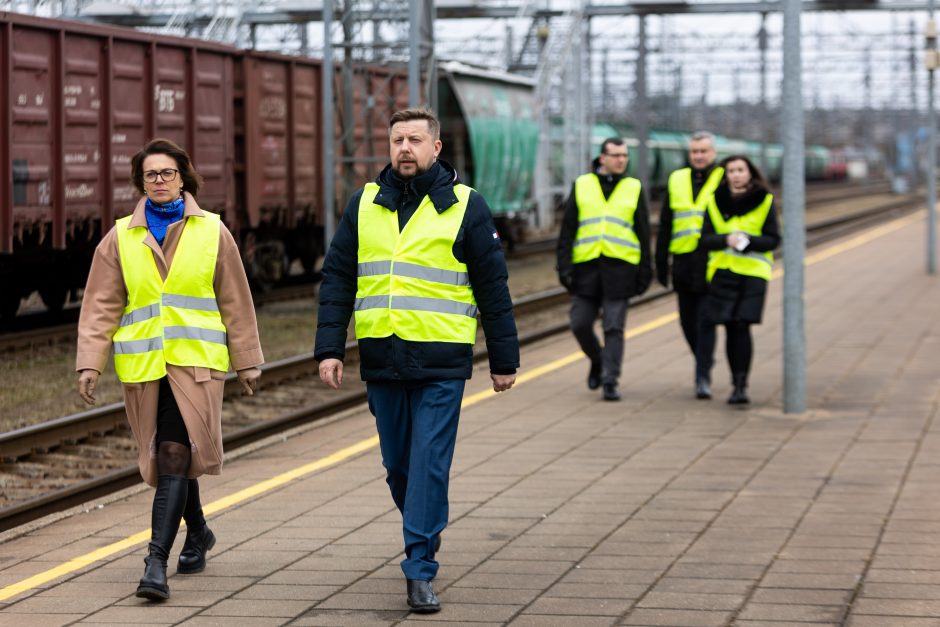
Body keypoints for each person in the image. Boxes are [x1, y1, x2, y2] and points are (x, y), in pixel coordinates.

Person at [314, 107, 519, 613]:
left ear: (436, 148)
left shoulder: (467, 207)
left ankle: (419, 566)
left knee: (428, 463)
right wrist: (328, 348)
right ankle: (423, 530)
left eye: (414, 140)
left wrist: (503, 358)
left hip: (442, 362)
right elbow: (338, 278)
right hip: (382, 358)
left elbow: (493, 289)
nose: (405, 148)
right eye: (397, 140)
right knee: (398, 467)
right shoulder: (363, 204)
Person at [76, 138, 263, 601]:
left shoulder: (212, 231)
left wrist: (247, 361)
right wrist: (90, 363)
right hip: (144, 367)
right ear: (140, 181)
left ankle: (154, 562)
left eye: (167, 173)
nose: (159, 181)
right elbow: (101, 304)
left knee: (177, 453)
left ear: (183, 177)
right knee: (169, 456)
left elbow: (235, 300)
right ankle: (197, 532)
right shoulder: (120, 237)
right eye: (150, 174)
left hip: (195, 365)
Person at [556, 137, 651, 402]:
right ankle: (597, 360)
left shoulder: (634, 187)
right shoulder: (582, 185)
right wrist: (564, 268)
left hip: (621, 269)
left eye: (625, 155)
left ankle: (610, 379)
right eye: (616, 155)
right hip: (586, 269)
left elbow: (643, 233)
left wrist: (646, 270)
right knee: (580, 323)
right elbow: (567, 232)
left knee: (613, 327)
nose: (622, 160)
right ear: (602, 158)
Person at [697, 155, 780, 404]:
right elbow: (704, 239)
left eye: (740, 170)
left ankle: (741, 384)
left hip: (753, 274)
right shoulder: (714, 202)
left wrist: (748, 242)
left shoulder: (764, 201)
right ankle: (736, 382)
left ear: (750, 173)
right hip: (723, 272)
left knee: (742, 326)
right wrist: (726, 240)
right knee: (730, 327)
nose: (736, 174)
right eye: (731, 170)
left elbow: (773, 239)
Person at [655, 131, 725, 400]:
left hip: (712, 260)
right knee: (687, 322)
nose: (698, 156)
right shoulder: (677, 179)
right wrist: (661, 264)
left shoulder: (723, 179)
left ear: (713, 153)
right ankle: (703, 360)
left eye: (703, 151)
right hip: (683, 261)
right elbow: (665, 225)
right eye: (694, 151)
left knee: (706, 320)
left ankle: (702, 375)